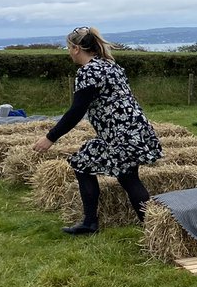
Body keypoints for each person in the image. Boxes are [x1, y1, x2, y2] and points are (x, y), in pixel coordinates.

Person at [32, 26, 163, 234]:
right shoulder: (110, 65)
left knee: (124, 176)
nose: (68, 52)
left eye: (68, 48)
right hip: (132, 129)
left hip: (120, 134)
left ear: (76, 48)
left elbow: (76, 112)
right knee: (91, 165)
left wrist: (50, 138)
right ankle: (93, 223)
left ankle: (154, 229)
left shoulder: (88, 72)